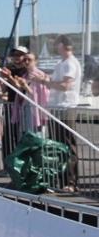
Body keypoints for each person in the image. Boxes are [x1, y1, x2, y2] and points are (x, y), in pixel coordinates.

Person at [34, 34, 82, 191]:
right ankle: (61, 179)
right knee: (58, 145)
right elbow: (57, 82)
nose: (54, 47)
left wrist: (44, 82)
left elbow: (66, 86)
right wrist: (45, 78)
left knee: (67, 144)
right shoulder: (62, 63)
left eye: (56, 44)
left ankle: (71, 182)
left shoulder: (70, 63)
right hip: (57, 107)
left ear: (62, 45)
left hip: (65, 107)